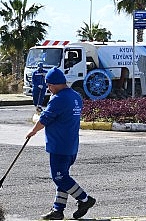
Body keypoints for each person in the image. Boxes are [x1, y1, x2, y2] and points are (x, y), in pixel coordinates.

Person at [26, 67, 96, 220]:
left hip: (59, 145)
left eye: (49, 86)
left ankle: (85, 199)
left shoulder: (59, 99)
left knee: (59, 177)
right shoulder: (76, 96)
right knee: (63, 177)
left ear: (54, 84)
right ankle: (58, 210)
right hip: (71, 145)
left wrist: (33, 131)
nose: (49, 89)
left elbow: (45, 118)